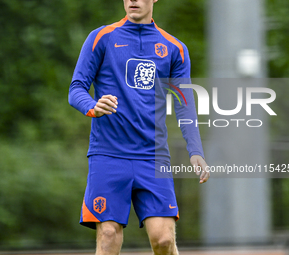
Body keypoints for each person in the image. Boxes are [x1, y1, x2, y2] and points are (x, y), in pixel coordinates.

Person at [68, 0, 210, 254]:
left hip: (152, 156)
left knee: (164, 239)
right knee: (109, 234)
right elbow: (76, 88)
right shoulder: (101, 37)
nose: (133, 0)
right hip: (108, 154)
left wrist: (195, 150)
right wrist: (92, 106)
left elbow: (184, 104)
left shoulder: (174, 47)